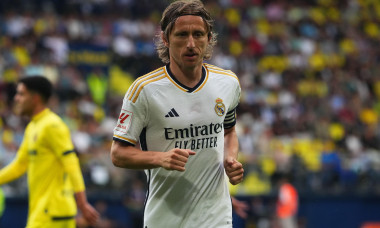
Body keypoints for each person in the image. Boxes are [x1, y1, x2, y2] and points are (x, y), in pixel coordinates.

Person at [110, 0, 244, 227]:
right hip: (165, 219)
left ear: (209, 38)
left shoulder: (228, 83)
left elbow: (229, 131)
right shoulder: (144, 91)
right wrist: (160, 158)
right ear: (165, 39)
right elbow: (118, 154)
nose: (191, 44)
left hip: (216, 218)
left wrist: (230, 158)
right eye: (182, 35)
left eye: (198, 34)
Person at [0, 76, 99, 228]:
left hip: (53, 213)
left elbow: (71, 163)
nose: (16, 98)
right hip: (43, 212)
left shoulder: (52, 126)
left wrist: (83, 203)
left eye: (21, 94)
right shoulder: (33, 127)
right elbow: (19, 166)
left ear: (35, 98)